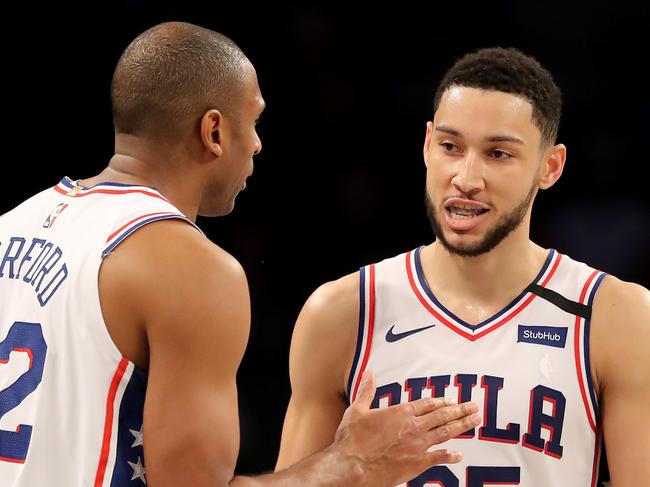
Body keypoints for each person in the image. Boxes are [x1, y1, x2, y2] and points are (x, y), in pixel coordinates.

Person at [0, 21, 482, 487]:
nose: (256, 143)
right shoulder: (193, 270)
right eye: (252, 121)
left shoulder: (13, 224)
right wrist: (351, 463)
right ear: (213, 131)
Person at [276, 47, 650, 486]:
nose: (467, 178)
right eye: (451, 147)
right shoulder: (343, 312)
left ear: (550, 167)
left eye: (498, 154)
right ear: (426, 145)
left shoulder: (616, 316)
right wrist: (343, 464)